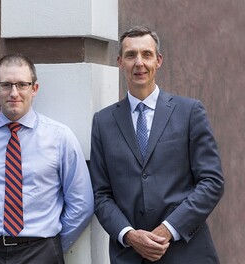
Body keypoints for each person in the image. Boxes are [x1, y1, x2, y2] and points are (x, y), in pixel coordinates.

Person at [90, 25, 225, 263]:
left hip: (187, 253)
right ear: (120, 62)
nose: (139, 62)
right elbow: (101, 195)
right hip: (130, 255)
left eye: (147, 54)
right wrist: (129, 235)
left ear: (158, 60)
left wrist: (168, 229)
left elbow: (212, 182)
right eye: (131, 55)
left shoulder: (190, 112)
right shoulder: (103, 122)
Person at [0, 53, 94, 264]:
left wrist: (51, 246)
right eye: (6, 85)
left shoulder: (59, 137)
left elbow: (81, 203)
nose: (14, 93)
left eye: (22, 85)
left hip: (40, 252)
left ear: (34, 89)